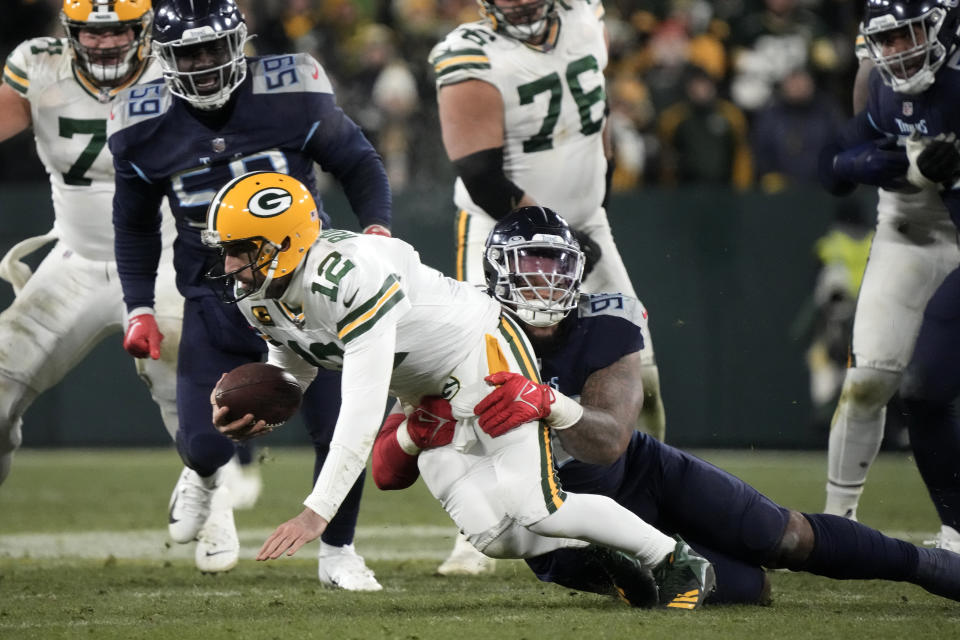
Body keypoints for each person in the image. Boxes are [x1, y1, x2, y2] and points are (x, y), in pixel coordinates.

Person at [371, 206, 960, 606]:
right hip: (567, 532)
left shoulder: (605, 320)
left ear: (578, 270)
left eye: (555, 266)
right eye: (529, 266)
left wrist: (547, 403)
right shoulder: (460, 328)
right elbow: (384, 472)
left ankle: (930, 568)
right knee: (745, 589)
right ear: (495, 271)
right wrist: (414, 434)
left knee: (785, 536)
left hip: (637, 471)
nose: (543, 282)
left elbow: (608, 441)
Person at [204, 172, 716, 610]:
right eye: (226, 252)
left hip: (482, 351)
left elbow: (361, 406)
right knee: (492, 533)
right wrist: (271, 402)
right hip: (425, 388)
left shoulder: (349, 276)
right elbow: (295, 362)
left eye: (241, 251)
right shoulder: (261, 293)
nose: (230, 266)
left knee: (537, 506)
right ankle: (603, 552)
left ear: (287, 243)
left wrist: (319, 510)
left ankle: (673, 558)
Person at [107, 0, 388, 590]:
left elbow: (359, 162)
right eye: (189, 51)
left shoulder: (293, 92)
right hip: (215, 297)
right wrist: (138, 306)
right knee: (206, 442)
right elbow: (133, 225)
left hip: (308, 291)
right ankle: (205, 478)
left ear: (239, 43)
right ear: (164, 57)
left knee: (339, 428)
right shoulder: (141, 123)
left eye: (214, 47)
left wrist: (378, 230)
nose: (204, 62)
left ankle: (338, 551)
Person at [427, 0, 666, 576]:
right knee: (486, 378)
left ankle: (654, 504)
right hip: (504, 234)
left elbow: (596, 119)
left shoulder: (585, 18)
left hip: (585, 226)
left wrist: (593, 209)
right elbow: (482, 175)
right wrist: (554, 237)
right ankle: (475, 524)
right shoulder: (468, 52)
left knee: (643, 374)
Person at [0, 0, 238, 573]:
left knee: (182, 386)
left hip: (164, 262)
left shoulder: (179, 63)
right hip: (75, 261)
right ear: (69, 32)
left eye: (119, 31)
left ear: (143, 30)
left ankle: (213, 502)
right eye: (91, 32)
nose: (105, 44)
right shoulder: (37, 64)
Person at [818, 0, 960, 550]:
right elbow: (836, 159)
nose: (898, 53)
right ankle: (838, 523)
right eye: (889, 41)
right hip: (909, 226)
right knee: (873, 381)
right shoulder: (882, 82)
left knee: (928, 386)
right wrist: (893, 164)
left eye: (910, 36)